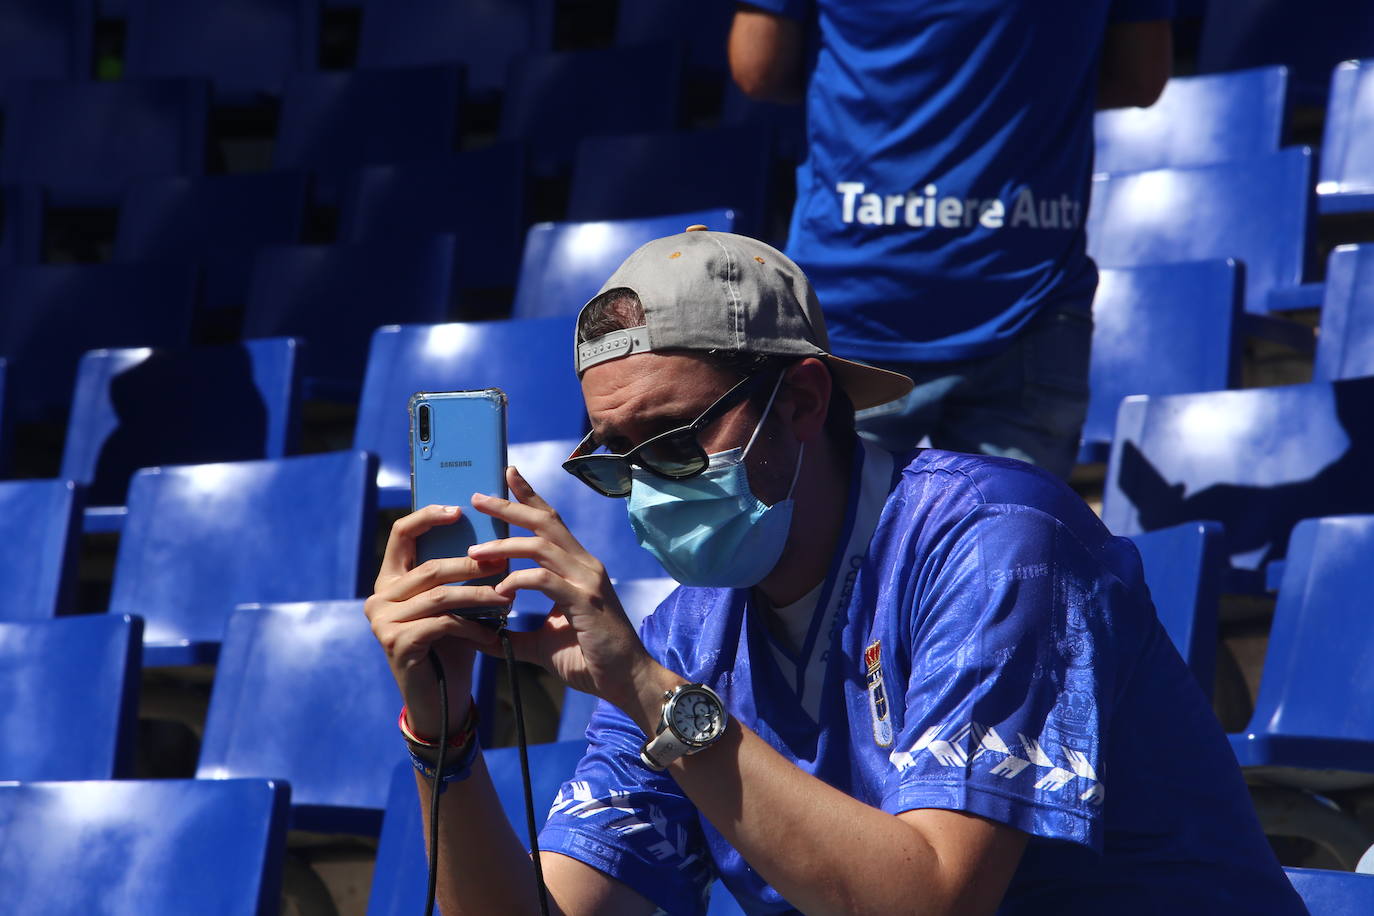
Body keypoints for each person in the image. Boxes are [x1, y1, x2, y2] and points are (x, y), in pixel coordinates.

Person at [365, 229, 1303, 914]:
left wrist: (653, 696)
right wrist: (441, 728)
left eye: (676, 440)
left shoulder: (999, 543)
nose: (648, 483)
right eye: (617, 457)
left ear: (804, 399)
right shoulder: (691, 631)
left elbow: (930, 899)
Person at [728, 1, 1174, 479]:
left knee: (827, 546)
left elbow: (758, 68)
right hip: (1029, 289)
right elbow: (1141, 77)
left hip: (856, 301)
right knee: (1017, 544)